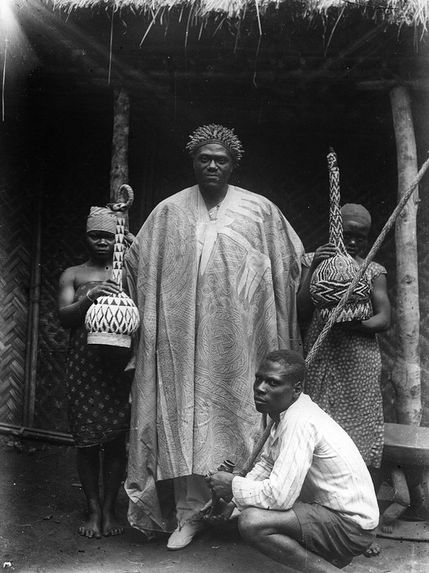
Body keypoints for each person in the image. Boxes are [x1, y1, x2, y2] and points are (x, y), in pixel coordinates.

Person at [124, 124, 304, 549]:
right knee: (184, 422)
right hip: (181, 340)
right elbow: (137, 265)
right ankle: (191, 516)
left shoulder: (260, 212)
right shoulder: (169, 212)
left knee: (244, 416)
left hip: (243, 340)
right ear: (193, 161)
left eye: (220, 159)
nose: (211, 165)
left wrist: (319, 262)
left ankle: (246, 511)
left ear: (233, 164)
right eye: (204, 158)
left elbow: (290, 265)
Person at [206, 349, 379, 572]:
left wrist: (232, 486)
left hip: (351, 527)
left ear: (296, 389)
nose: (260, 388)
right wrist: (233, 501)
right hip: (333, 514)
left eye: (272, 383)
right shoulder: (285, 414)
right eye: (259, 379)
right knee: (249, 510)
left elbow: (279, 498)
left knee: (252, 523)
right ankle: (331, 557)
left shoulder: (300, 421)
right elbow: (268, 464)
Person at [297, 203, 391, 480]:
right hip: (320, 354)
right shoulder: (313, 259)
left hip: (357, 359)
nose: (352, 242)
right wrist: (315, 267)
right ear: (335, 230)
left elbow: (384, 318)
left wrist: (354, 324)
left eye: (360, 237)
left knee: (357, 421)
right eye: (347, 233)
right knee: (316, 421)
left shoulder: (373, 270)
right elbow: (301, 311)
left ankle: (356, 489)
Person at [58, 206, 132, 539]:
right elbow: (64, 317)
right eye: (95, 235)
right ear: (86, 237)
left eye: (107, 235)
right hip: (83, 365)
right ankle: (92, 508)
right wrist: (90, 300)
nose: (102, 242)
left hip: (117, 365)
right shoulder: (72, 274)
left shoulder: (127, 271)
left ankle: (110, 507)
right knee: (87, 442)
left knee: (116, 440)